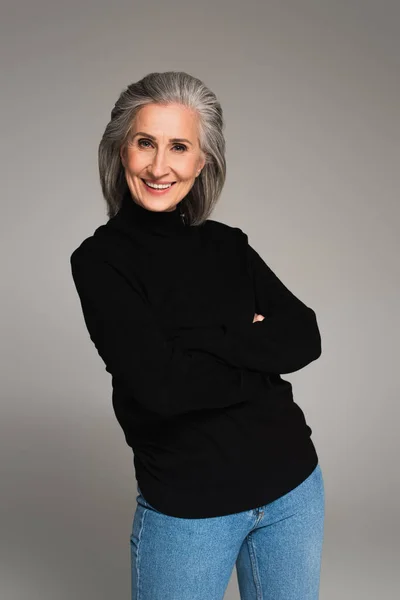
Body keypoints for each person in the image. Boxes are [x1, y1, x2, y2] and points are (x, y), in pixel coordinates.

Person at [70, 71, 325, 600]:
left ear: (201, 162)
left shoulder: (228, 245)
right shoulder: (100, 263)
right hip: (190, 507)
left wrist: (197, 343)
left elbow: (305, 335)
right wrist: (255, 351)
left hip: (293, 488)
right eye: (146, 143)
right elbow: (161, 390)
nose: (159, 166)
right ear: (122, 151)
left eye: (179, 147)